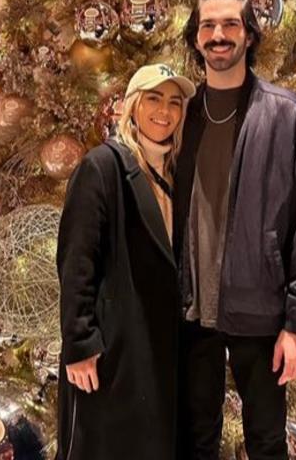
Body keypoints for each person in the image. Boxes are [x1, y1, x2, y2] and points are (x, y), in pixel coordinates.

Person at [174, 0, 296, 459]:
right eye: (207, 25)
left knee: (265, 441)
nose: (218, 35)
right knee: (194, 440)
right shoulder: (178, 115)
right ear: (195, 38)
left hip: (260, 310)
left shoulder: (287, 115)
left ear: (249, 35)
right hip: (189, 314)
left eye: (229, 24)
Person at [56, 64, 196, 460]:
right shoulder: (102, 167)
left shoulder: (173, 172)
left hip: (156, 349)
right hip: (111, 349)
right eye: (153, 98)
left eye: (174, 102)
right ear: (133, 106)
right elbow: (75, 261)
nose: (164, 112)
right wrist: (80, 343)